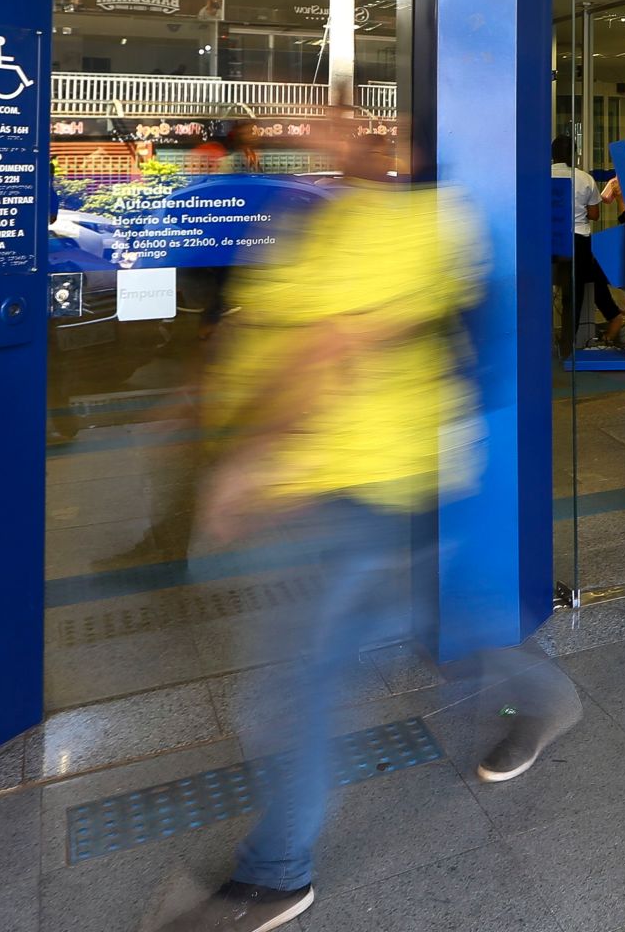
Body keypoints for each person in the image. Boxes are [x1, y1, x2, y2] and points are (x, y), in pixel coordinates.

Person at [157, 112, 579, 931]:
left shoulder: (420, 225)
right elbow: (270, 326)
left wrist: (246, 463)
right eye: (334, 124)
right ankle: (541, 695)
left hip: (369, 484)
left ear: (402, 150)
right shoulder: (326, 219)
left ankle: (276, 874)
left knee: (296, 684)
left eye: (365, 128)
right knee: (424, 621)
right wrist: (205, 398)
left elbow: (329, 349)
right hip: (340, 482)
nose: (337, 132)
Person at [552, 133, 620, 352]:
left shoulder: (540, 177)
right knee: (574, 296)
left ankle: (614, 316)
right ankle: (566, 348)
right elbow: (594, 214)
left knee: (594, 274)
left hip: (548, 242)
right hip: (577, 242)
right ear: (574, 155)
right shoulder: (584, 178)